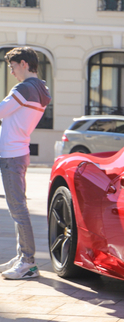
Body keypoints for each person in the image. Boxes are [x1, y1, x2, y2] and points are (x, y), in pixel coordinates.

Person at [0, 47, 51, 279]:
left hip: (11, 153)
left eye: (12, 66)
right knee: (18, 208)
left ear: (23, 63)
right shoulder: (41, 88)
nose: (11, 72)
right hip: (19, 151)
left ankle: (28, 262)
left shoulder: (24, 88)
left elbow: (1, 111)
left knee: (18, 209)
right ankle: (23, 255)